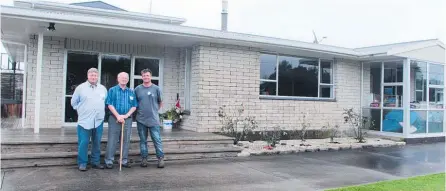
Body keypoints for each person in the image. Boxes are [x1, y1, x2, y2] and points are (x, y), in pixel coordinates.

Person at [71, 68, 107, 171]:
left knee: (97, 142)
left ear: (97, 76)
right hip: (84, 121)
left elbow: (105, 101)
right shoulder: (80, 88)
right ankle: (82, 163)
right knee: (84, 142)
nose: (93, 77)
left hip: (98, 120)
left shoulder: (103, 88)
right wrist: (81, 110)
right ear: (88, 76)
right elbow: (73, 102)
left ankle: (95, 162)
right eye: (91, 75)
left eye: (95, 75)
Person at [104, 72, 137, 169]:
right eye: (122, 77)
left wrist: (126, 115)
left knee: (126, 140)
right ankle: (109, 160)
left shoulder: (131, 92)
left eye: (126, 78)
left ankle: (124, 160)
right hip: (114, 118)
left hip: (128, 119)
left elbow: (134, 106)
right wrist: (118, 116)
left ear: (128, 79)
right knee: (112, 140)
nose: (124, 79)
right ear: (118, 79)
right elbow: (109, 104)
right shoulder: (112, 90)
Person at [135, 69, 165, 168]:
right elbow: (135, 103)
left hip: (153, 120)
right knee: (143, 140)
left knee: (157, 140)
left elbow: (160, 102)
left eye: (147, 75)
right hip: (141, 119)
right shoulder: (137, 89)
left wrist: (154, 110)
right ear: (141, 77)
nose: (146, 77)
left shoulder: (156, 89)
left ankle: (160, 158)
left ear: (150, 76)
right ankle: (144, 159)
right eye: (144, 76)